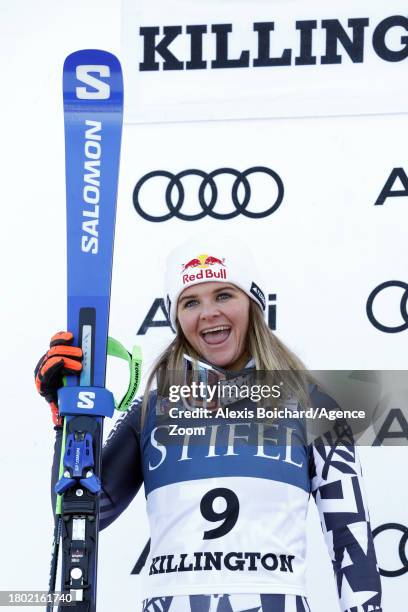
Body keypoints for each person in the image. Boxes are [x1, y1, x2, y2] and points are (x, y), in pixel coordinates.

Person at [35, 237, 382, 612]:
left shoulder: (314, 406)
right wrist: (69, 423)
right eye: (190, 302)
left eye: (223, 295)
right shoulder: (152, 408)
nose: (208, 313)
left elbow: (352, 543)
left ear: (253, 304)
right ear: (177, 318)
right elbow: (83, 516)